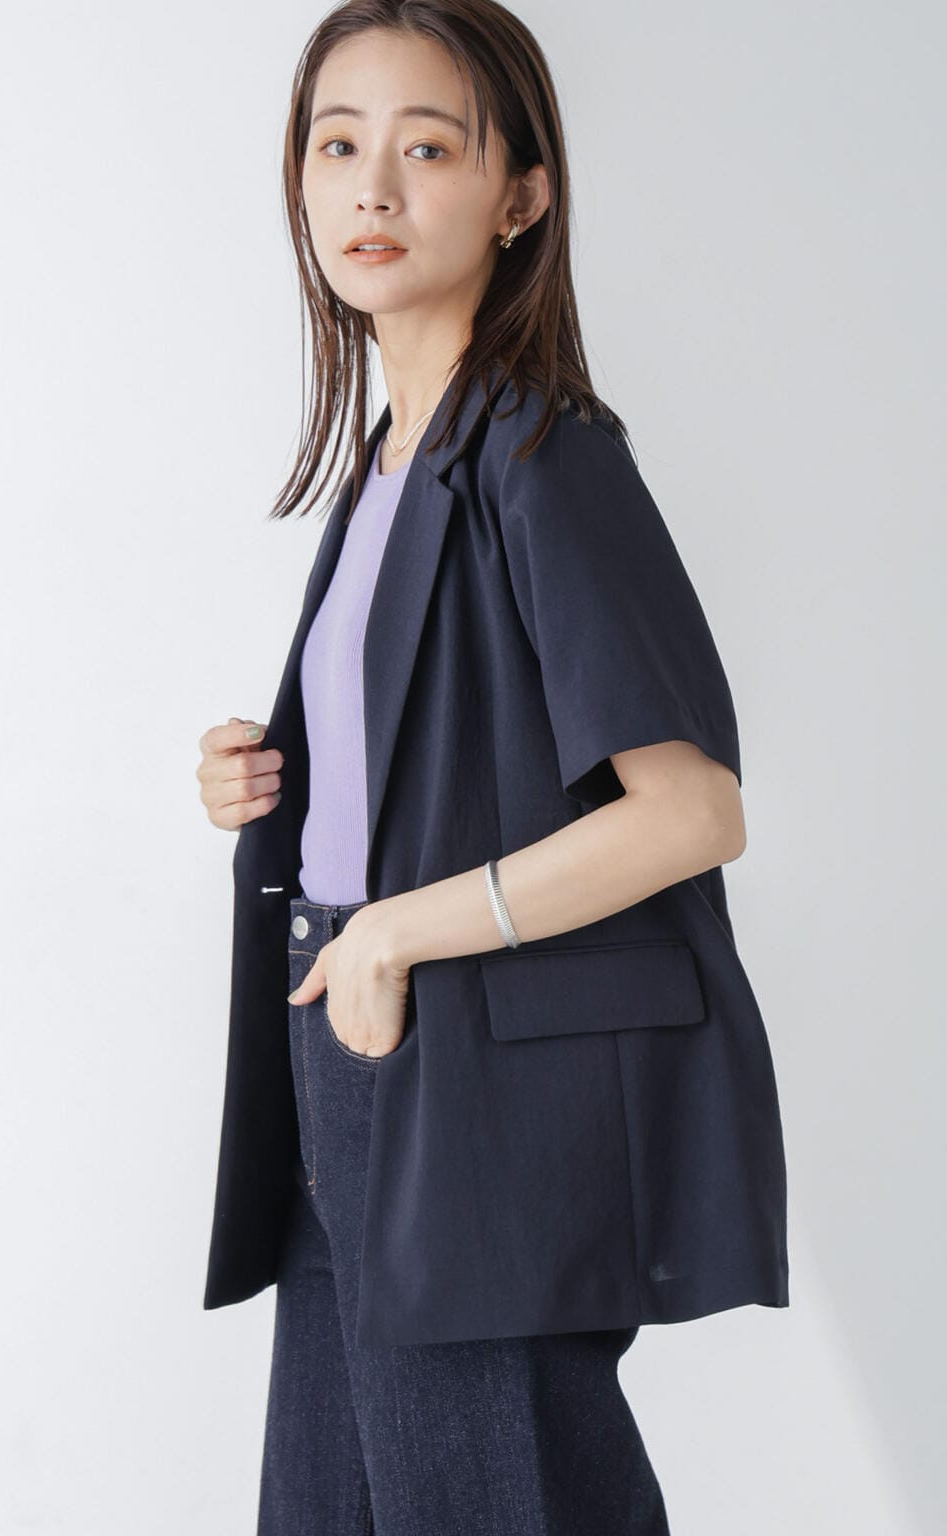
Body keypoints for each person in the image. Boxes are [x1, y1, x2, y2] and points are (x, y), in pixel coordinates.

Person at [193, 4, 789, 1532]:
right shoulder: (391, 466)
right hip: (343, 1040)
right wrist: (270, 785)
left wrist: (395, 931)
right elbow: (436, 759)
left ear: (520, 194)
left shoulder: (543, 453)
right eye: (339, 145)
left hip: (465, 1080)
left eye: (429, 148)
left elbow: (693, 810)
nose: (372, 188)